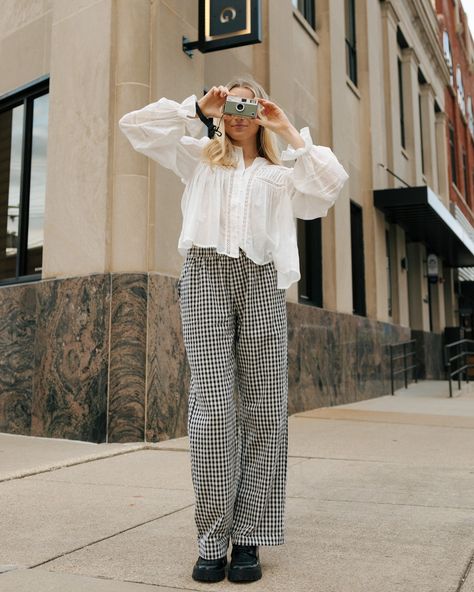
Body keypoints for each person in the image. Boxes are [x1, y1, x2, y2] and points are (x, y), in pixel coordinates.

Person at [118, 75, 349, 584]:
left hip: (261, 280)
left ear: (261, 110)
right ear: (220, 111)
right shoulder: (198, 156)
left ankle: (248, 537)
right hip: (204, 275)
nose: (239, 112)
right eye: (232, 104)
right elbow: (134, 126)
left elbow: (329, 185)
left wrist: (285, 126)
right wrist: (197, 109)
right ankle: (212, 538)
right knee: (212, 410)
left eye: (249, 104)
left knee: (265, 408)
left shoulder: (282, 172)